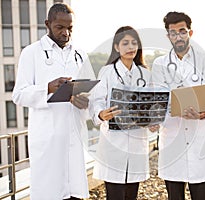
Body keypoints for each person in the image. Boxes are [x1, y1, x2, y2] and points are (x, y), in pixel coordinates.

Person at [12, 3, 94, 200]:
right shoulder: (31, 53)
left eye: (70, 28)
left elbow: (93, 92)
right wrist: (48, 88)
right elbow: (19, 95)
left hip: (74, 136)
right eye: (60, 27)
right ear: (47, 24)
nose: (66, 33)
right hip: (47, 139)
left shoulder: (80, 54)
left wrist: (85, 101)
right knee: (50, 193)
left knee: (74, 193)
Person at [151, 11, 205, 200]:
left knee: (202, 195)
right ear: (168, 36)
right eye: (173, 32)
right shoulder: (160, 64)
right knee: (174, 196)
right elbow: (159, 99)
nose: (178, 36)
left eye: (182, 31)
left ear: (190, 32)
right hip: (172, 139)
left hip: (200, 139)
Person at [90, 26, 157, 200]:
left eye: (134, 43)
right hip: (114, 142)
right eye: (125, 43)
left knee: (131, 194)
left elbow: (150, 105)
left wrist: (154, 121)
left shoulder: (145, 73)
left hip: (136, 140)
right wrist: (100, 114)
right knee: (115, 194)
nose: (130, 47)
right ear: (116, 47)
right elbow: (96, 101)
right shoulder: (107, 72)